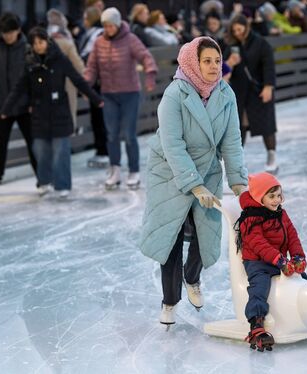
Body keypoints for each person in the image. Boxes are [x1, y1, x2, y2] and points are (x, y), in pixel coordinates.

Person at [139, 36, 248, 326]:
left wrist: (238, 181)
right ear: (193, 63)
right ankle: (169, 301)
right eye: (207, 61)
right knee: (171, 237)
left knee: (205, 231)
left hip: (208, 170)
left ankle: (192, 277)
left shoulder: (226, 94)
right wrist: (193, 185)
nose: (214, 66)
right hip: (170, 172)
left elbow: (232, 140)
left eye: (217, 60)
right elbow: (172, 144)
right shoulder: (175, 94)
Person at [1, 27, 103, 198]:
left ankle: (62, 184)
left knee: (60, 150)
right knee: (40, 150)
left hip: (59, 112)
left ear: (47, 41)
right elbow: (19, 88)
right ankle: (44, 181)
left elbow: (77, 79)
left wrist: (95, 98)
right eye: (35, 44)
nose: (38, 46)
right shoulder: (30, 64)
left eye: (40, 42)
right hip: (40, 113)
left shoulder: (59, 59)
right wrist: (6, 109)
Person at [85, 7, 158, 190]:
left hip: (129, 94)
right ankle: (115, 169)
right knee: (111, 134)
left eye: (110, 25)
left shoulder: (130, 39)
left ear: (117, 24)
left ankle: (134, 171)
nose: (108, 29)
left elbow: (146, 57)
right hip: (108, 94)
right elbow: (92, 66)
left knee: (129, 134)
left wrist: (150, 75)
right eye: (105, 25)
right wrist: (86, 83)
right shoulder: (99, 42)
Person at [235, 172, 307, 350]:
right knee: (259, 286)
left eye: (279, 195)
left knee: (302, 280)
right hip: (258, 262)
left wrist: (297, 256)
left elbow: (292, 235)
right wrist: (280, 260)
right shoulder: (250, 219)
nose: (277, 200)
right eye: (272, 196)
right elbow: (259, 244)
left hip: (278, 259)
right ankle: (256, 324)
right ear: (260, 198)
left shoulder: (281, 213)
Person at [0, 12, 37, 193]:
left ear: (18, 30)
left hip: (25, 105)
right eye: (4, 33)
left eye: (10, 32)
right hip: (4, 105)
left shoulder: (27, 49)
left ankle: (43, 176)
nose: (8, 36)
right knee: (0, 142)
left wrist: (34, 100)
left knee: (33, 142)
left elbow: (35, 77)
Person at [226, 14, 279, 173]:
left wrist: (268, 86)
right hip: (240, 93)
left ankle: (272, 156)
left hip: (259, 91)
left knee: (266, 125)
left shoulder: (261, 43)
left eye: (239, 29)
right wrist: (229, 63)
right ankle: (238, 162)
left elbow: (268, 66)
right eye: (234, 30)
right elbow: (221, 70)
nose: (237, 33)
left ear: (246, 27)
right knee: (239, 127)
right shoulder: (231, 46)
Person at [78, 5, 108, 168]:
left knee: (99, 118)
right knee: (98, 118)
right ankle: (102, 150)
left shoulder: (96, 35)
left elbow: (89, 57)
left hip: (99, 83)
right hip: (97, 82)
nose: (83, 21)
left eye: (85, 17)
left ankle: (103, 151)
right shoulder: (94, 34)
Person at [47, 8, 85, 132]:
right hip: (67, 84)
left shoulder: (44, 41)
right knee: (69, 114)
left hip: (47, 84)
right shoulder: (66, 41)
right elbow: (78, 64)